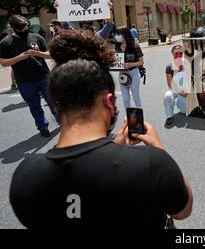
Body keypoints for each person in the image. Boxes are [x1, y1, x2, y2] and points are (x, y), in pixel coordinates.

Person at [9, 30, 193, 229]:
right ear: (110, 102)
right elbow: (183, 210)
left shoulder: (26, 176)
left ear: (54, 104)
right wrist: (158, 148)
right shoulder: (152, 162)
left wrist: (114, 146)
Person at [0, 15, 57, 137]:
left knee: (53, 101)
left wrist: (38, 53)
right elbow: (3, 62)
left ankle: (61, 120)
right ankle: (42, 126)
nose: (25, 30)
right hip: (24, 81)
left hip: (44, 76)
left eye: (27, 26)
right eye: (22, 28)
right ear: (14, 28)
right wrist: (20, 57)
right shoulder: (5, 43)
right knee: (34, 105)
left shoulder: (36, 37)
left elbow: (49, 54)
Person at [115, 27, 144, 110]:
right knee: (126, 99)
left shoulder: (134, 45)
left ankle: (139, 117)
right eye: (116, 34)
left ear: (125, 35)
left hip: (133, 73)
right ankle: (128, 118)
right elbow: (115, 60)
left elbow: (141, 62)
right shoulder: (117, 46)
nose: (117, 36)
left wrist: (130, 64)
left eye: (119, 34)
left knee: (136, 97)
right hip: (122, 74)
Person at [164, 45, 187, 126]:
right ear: (172, 54)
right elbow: (170, 84)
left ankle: (180, 103)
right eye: (176, 53)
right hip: (175, 90)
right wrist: (180, 92)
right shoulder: (169, 66)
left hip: (185, 90)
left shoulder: (187, 63)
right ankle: (169, 116)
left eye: (181, 53)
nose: (178, 55)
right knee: (167, 96)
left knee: (184, 111)